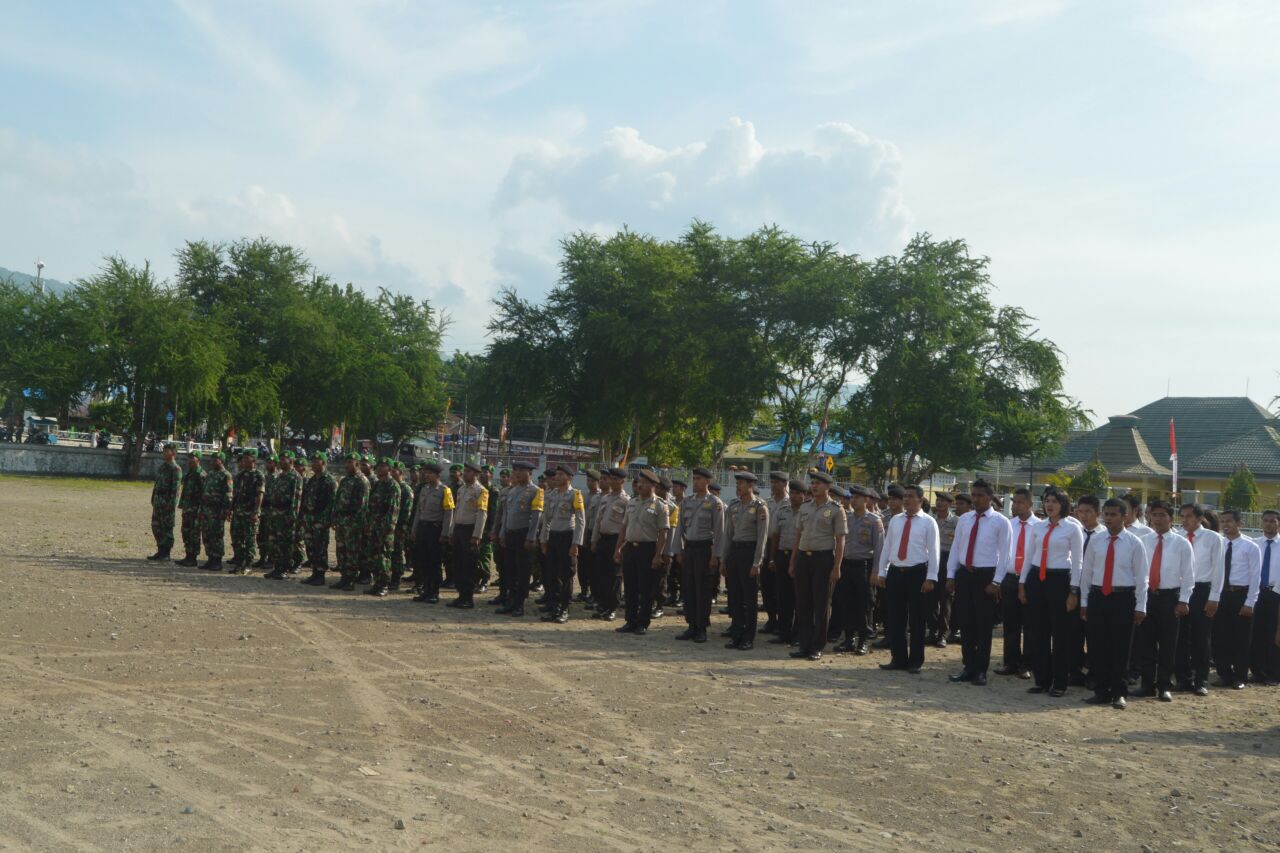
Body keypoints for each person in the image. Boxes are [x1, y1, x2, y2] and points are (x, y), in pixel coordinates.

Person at [1078, 497, 1149, 709]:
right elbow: (1087, 572)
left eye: (1113, 514)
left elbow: (1141, 577)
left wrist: (1141, 605)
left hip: (1123, 598)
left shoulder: (1134, 543)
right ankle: (1101, 690)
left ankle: (1119, 692)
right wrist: (1084, 600)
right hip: (1098, 596)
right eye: (1106, 514)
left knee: (1121, 648)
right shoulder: (1096, 541)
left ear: (1124, 516)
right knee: (1098, 646)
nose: (1109, 518)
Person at [1018, 486, 1084, 697]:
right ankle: (1042, 680)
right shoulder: (1038, 527)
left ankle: (1060, 682)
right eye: (1047, 501)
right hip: (1037, 579)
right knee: (1038, 632)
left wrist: (1073, 591)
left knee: (1060, 634)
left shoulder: (1073, 528)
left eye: (1054, 501)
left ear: (1063, 505)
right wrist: (1022, 584)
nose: (1050, 505)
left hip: (1059, 580)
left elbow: (1078, 562)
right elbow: (1029, 556)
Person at [945, 481, 1011, 686]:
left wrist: (997, 581)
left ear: (990, 497)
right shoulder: (964, 519)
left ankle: (981, 670)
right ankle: (968, 666)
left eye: (980, 495)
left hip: (986, 576)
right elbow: (956, 548)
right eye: (973, 495)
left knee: (983, 625)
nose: (976, 499)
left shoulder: (1001, 522)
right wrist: (950, 575)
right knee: (965, 623)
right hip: (965, 574)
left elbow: (1006, 555)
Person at [1130, 499, 1195, 701]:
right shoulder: (1143, 541)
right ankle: (1147, 684)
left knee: (1168, 644)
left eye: (1162, 515)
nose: (1157, 519)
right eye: (1154, 515)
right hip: (1148, 596)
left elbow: (1189, 575)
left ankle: (1164, 685)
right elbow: (1138, 572)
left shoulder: (1181, 543)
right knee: (1146, 643)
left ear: (1170, 518)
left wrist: (1183, 601)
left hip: (1170, 597)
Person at [875, 485, 940, 674]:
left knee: (918, 618)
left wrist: (931, 578)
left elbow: (935, 553)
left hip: (917, 573)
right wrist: (882, 571)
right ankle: (898, 658)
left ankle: (915, 660)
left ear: (920, 500)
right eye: (905, 497)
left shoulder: (929, 522)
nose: (906, 500)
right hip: (896, 572)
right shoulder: (896, 520)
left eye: (911, 497)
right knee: (896, 617)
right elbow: (888, 546)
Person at [788, 471, 847, 661]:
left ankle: (817, 646)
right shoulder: (805, 507)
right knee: (802, 603)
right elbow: (798, 535)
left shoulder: (837, 509)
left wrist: (837, 567)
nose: (814, 486)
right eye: (812, 483)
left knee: (821, 605)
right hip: (804, 558)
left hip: (823, 559)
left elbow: (840, 541)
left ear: (828, 487)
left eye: (818, 484)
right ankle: (804, 644)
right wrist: (793, 561)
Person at [613, 468, 670, 636]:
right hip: (630, 548)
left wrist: (658, 555)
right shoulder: (632, 502)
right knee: (630, 587)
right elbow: (624, 528)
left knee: (646, 588)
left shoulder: (660, 505)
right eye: (639, 482)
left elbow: (663, 532)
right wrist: (618, 549)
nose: (639, 485)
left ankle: (642, 622)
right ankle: (630, 621)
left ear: (653, 485)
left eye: (644, 483)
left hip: (648, 549)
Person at [1176, 503, 1225, 695]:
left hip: (1202, 591)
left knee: (1200, 638)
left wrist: (1214, 597)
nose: (1185, 520)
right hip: (1180, 591)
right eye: (1182, 516)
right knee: (1180, 638)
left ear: (1199, 518)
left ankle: (1201, 680)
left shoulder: (1213, 538)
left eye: (1189, 516)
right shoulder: (1178, 537)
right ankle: (1183, 678)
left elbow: (1219, 569)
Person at [1212, 508, 1262, 690]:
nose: (1225, 525)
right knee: (1220, 636)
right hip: (1220, 594)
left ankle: (1240, 676)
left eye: (1229, 521)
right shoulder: (1218, 544)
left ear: (1239, 524)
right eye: (1222, 521)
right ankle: (1224, 674)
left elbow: (1255, 577)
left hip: (1241, 594)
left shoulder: (1251, 547)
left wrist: (1250, 602)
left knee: (1241, 638)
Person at [674, 467, 725, 643]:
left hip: (705, 550)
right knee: (688, 588)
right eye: (694, 478)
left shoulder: (715, 503)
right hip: (689, 549)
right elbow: (679, 528)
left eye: (698, 479)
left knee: (703, 590)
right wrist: (678, 550)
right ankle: (691, 625)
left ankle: (702, 627)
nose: (695, 482)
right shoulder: (687, 502)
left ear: (707, 482)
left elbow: (719, 532)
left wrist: (716, 556)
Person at [721, 471, 770, 650]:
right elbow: (728, 535)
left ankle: (748, 637)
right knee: (735, 597)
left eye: (741, 484)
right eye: (737, 484)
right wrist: (724, 560)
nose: (738, 487)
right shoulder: (733, 506)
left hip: (749, 553)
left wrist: (757, 563)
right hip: (735, 552)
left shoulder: (759, 507)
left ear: (750, 486)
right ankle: (736, 634)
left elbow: (762, 537)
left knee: (749, 599)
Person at [537, 464, 585, 622]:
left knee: (566, 575)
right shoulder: (552, 495)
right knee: (551, 574)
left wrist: (575, 543)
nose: (556, 477)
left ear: (569, 477)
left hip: (567, 537)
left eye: (560, 474)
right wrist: (543, 540)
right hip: (553, 537)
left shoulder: (575, 495)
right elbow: (546, 519)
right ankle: (554, 607)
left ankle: (564, 609)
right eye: (556, 474)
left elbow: (580, 521)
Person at [496, 460, 543, 617]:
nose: (516, 473)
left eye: (520, 471)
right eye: (515, 470)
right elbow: (506, 514)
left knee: (523, 571)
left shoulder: (536, 491)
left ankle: (519, 604)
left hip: (524, 535)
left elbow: (536, 517)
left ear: (529, 473)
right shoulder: (512, 491)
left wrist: (531, 537)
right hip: (510, 533)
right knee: (510, 569)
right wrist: (502, 533)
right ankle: (511, 600)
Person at [768, 480, 807, 648]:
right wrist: (772, 558)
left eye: (798, 493)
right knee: (783, 596)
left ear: (804, 495)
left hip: (800, 558)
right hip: (782, 556)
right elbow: (775, 536)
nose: (794, 496)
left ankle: (798, 634)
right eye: (792, 493)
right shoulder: (782, 511)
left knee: (799, 597)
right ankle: (784, 632)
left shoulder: (807, 512)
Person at [409, 462, 454, 603]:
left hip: (435, 530)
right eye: (426, 473)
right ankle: (426, 591)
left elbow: (449, 513)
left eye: (430, 473)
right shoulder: (424, 489)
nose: (427, 475)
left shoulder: (445, 490)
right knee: (423, 561)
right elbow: (418, 511)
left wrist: (445, 533)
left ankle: (434, 593)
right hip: (423, 528)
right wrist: (414, 529)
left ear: (437, 475)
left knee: (434, 562)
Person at [449, 462, 489, 609]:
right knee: (458, 564)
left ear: (476, 474)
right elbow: (456, 511)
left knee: (469, 565)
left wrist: (477, 535)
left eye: (468, 472)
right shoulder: (461, 490)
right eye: (465, 471)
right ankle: (460, 595)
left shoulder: (481, 491)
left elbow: (482, 514)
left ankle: (468, 598)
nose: (465, 474)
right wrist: (452, 531)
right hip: (459, 529)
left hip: (470, 531)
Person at [591, 467, 630, 621]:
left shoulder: (626, 500)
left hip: (616, 541)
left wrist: (621, 547)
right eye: (610, 478)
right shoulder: (605, 498)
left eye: (615, 479)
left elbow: (627, 526)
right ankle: (602, 605)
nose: (612, 481)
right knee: (601, 574)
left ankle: (612, 607)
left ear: (622, 481)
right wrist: (594, 539)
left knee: (614, 576)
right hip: (603, 539)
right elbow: (598, 521)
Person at [361, 458, 402, 597]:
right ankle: (377, 583)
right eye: (378, 466)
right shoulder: (378, 484)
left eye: (383, 466)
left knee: (383, 557)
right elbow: (371, 507)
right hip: (373, 527)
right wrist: (368, 524)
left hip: (384, 530)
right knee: (373, 557)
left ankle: (384, 584)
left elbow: (392, 511)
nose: (379, 469)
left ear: (389, 469)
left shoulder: (393, 486)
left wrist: (386, 529)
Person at [330, 453, 369, 591]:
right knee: (341, 550)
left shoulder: (362, 481)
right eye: (346, 463)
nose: (347, 465)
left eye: (350, 463)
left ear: (357, 464)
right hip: (342, 521)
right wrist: (334, 517)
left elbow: (361, 506)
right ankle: (343, 577)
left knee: (352, 551)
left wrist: (356, 524)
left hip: (353, 522)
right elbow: (337, 500)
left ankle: (350, 579)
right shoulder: (345, 480)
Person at [1251, 510, 1280, 686]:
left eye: (1273, 521)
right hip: (1256, 592)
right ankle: (1256, 670)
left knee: (1273, 633)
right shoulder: (1254, 544)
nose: (1269, 524)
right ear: (1261, 523)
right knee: (1256, 632)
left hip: (1276, 593)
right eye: (1266, 520)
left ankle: (1274, 672)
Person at [299, 452, 338, 585]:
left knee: (320, 548)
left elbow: (332, 502)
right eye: (313, 461)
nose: (314, 464)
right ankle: (314, 573)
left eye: (317, 461)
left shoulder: (329, 480)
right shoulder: (312, 480)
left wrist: (325, 520)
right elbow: (305, 498)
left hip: (320, 519)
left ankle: (320, 575)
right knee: (310, 547)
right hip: (309, 518)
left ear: (324, 463)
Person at [263, 451, 303, 580]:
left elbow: (296, 499)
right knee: (274, 543)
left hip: (286, 515)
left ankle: (284, 568)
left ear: (291, 461)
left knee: (285, 544)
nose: (280, 462)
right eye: (280, 459)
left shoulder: (295, 477)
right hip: (275, 514)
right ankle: (277, 568)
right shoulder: (280, 476)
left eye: (283, 459)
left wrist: (292, 516)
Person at [761, 472, 790, 634]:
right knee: (767, 586)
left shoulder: (789, 502)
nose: (773, 485)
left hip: (781, 547)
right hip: (767, 545)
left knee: (781, 587)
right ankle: (771, 618)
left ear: (785, 484)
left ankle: (782, 620)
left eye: (776, 482)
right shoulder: (768, 503)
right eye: (772, 482)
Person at [229, 450, 265, 574]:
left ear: (253, 461)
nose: (243, 461)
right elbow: (235, 495)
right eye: (243, 459)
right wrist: (231, 509)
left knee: (250, 539)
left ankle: (248, 564)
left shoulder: (259, 476)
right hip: (238, 512)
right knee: (236, 538)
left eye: (247, 459)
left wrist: (256, 512)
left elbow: (260, 495)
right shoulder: (239, 476)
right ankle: (239, 563)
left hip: (250, 513)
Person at [930, 492, 958, 648]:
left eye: (943, 501)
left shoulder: (956, 521)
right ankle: (932, 631)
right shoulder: (930, 520)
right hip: (932, 560)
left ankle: (943, 634)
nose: (939, 503)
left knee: (945, 599)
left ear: (949, 503)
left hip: (948, 560)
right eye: (938, 500)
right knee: (930, 600)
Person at [198, 452, 233, 571]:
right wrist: (202, 509)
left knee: (216, 536)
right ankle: (210, 559)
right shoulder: (211, 474)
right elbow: (204, 492)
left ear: (221, 461)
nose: (212, 462)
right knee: (206, 535)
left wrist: (226, 510)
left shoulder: (226, 475)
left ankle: (217, 561)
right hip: (207, 510)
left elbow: (228, 495)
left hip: (217, 511)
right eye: (212, 460)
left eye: (215, 460)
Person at [147, 443, 181, 561]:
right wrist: (153, 498)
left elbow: (175, 490)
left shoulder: (175, 469)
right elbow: (157, 485)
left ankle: (166, 553)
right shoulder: (163, 467)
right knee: (156, 526)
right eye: (164, 451)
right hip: (158, 503)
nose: (165, 453)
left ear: (174, 453)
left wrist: (171, 505)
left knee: (166, 528)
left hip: (167, 504)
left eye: (168, 451)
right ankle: (160, 550)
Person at [174, 450, 206, 567]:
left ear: (198, 460)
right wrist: (182, 505)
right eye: (189, 459)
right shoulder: (189, 474)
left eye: (193, 459)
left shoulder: (201, 475)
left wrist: (201, 510)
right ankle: (188, 555)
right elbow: (185, 492)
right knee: (186, 532)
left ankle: (193, 557)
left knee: (194, 534)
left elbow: (204, 495)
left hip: (196, 510)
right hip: (187, 509)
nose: (190, 461)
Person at [389, 462, 415, 592]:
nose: (392, 473)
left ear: (401, 474)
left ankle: (396, 578)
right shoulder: (392, 487)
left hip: (400, 527)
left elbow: (406, 512)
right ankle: (392, 576)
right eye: (391, 471)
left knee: (397, 552)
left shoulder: (406, 490)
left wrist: (401, 528)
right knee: (391, 552)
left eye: (395, 471)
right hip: (391, 527)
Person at [253, 454, 279, 569]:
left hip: (272, 511)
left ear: (276, 464)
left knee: (271, 536)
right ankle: (262, 557)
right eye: (267, 462)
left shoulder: (278, 478)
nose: (268, 465)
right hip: (263, 510)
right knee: (261, 535)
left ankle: (271, 559)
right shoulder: (264, 477)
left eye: (271, 463)